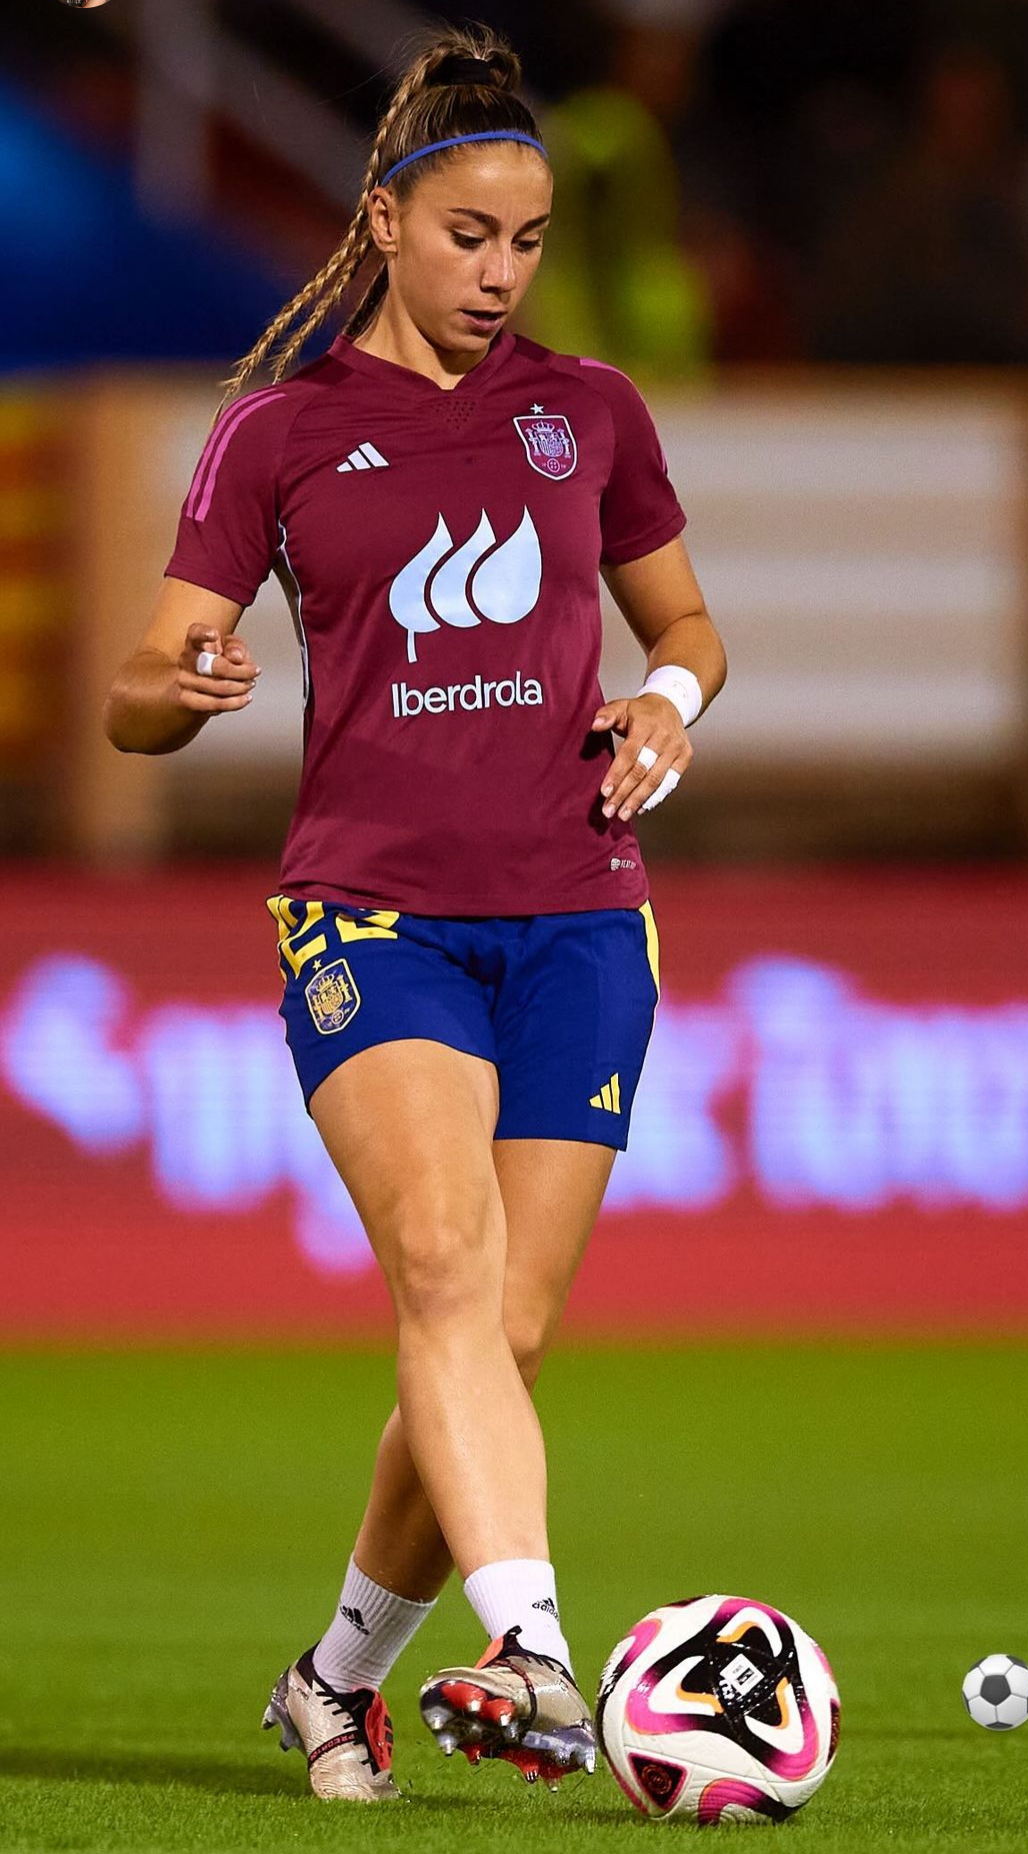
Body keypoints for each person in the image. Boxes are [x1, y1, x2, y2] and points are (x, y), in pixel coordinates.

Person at [103, 21, 725, 1805]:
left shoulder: (588, 411)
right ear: (383, 220)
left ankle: (330, 1678)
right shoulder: (280, 433)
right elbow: (138, 687)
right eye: (468, 236)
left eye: (527, 242)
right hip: (373, 916)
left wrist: (669, 701)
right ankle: (535, 1649)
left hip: (583, 918)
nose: (501, 273)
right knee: (444, 1269)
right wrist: (180, 687)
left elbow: (688, 625)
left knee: (501, 1334)